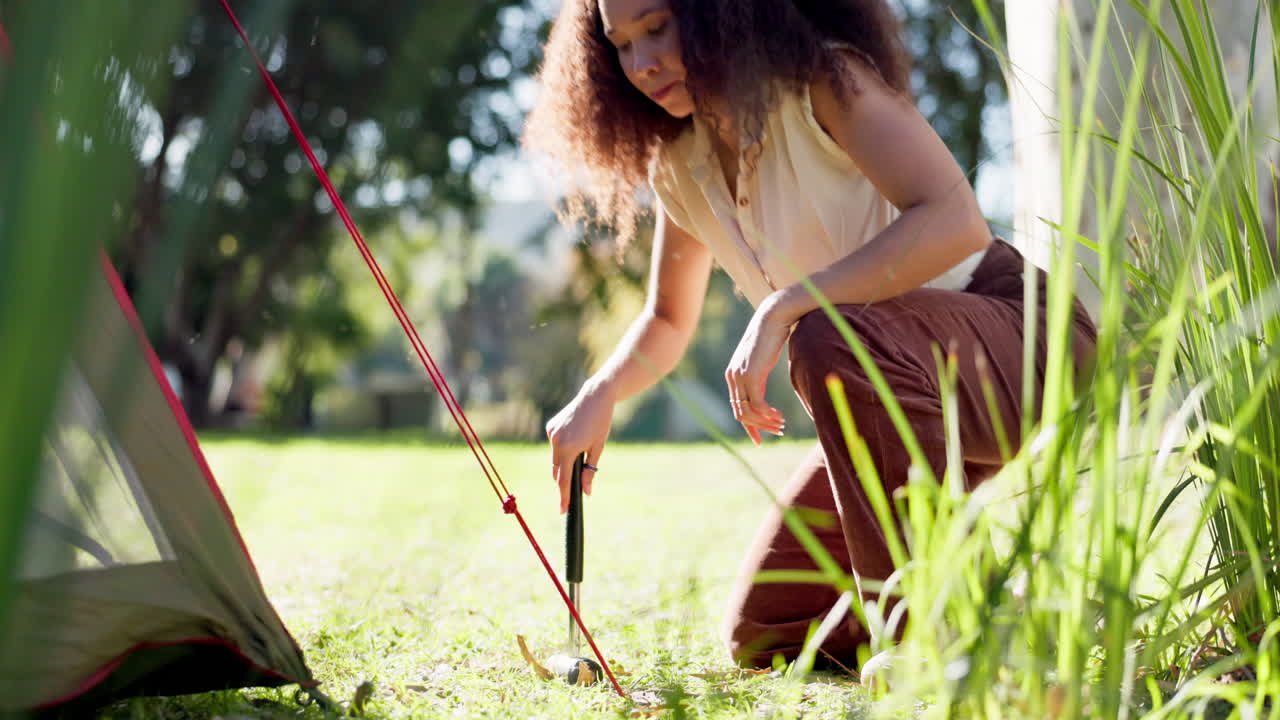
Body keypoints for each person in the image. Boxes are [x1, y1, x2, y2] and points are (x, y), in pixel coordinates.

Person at [522, 0, 1097, 669]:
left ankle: (933, 632)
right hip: (888, 393)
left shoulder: (823, 80)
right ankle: (1006, 614)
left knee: (826, 334)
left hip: (1020, 339)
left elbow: (955, 220)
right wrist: (599, 393)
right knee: (766, 631)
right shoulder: (679, 163)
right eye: (621, 44)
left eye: (657, 28)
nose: (642, 63)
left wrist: (783, 307)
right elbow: (670, 317)